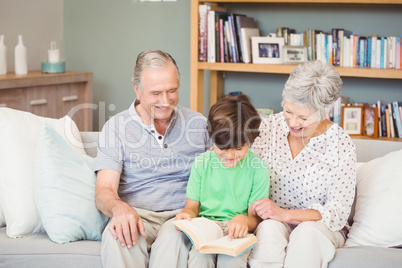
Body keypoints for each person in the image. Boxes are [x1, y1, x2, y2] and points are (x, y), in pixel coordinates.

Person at [94, 50, 212, 268]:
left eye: (172, 91)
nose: (166, 101)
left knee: (174, 238)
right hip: (138, 215)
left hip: (183, 214)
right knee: (117, 237)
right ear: (137, 90)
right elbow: (104, 191)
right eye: (156, 93)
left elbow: (226, 168)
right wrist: (119, 209)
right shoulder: (116, 128)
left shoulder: (198, 124)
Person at [249, 60, 357, 268]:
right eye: (288, 111)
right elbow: (247, 169)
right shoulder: (269, 126)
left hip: (320, 226)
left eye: (303, 117)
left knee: (306, 233)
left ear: (326, 112)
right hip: (274, 221)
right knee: (269, 230)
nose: (293, 123)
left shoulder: (340, 144)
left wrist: (286, 214)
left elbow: (338, 211)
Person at [173, 94, 270, 267]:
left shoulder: (258, 169)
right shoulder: (202, 163)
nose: (230, 155)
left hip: (237, 231)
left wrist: (243, 220)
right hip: (206, 227)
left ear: (251, 141)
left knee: (232, 261)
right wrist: (186, 215)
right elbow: (191, 207)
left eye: (238, 149)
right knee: (198, 259)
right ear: (212, 138)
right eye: (222, 148)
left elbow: (254, 219)